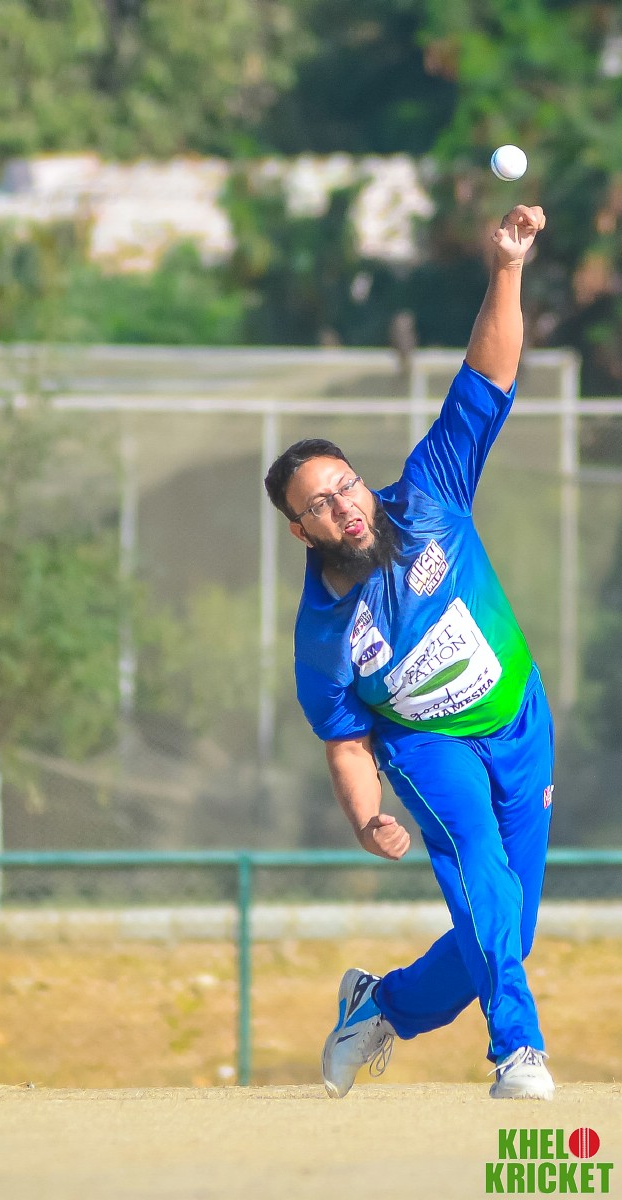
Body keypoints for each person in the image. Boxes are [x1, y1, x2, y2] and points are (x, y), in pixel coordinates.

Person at [264, 205, 555, 1101]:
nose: (344, 505)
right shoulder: (322, 637)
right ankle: (518, 1052)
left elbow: (487, 375)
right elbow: (347, 742)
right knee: (481, 880)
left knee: (507, 929)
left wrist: (506, 268)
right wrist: (365, 818)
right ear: (301, 530)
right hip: (427, 747)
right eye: (320, 504)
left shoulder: (430, 491)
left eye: (346, 484)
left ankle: (379, 1005)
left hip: (520, 721)